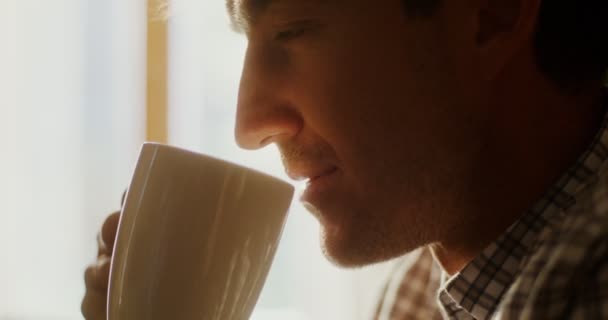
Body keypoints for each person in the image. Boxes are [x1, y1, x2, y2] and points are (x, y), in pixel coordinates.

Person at [82, 0, 608, 319]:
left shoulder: (589, 285)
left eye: (293, 28)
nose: (249, 126)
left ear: (493, 13)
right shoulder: (419, 297)